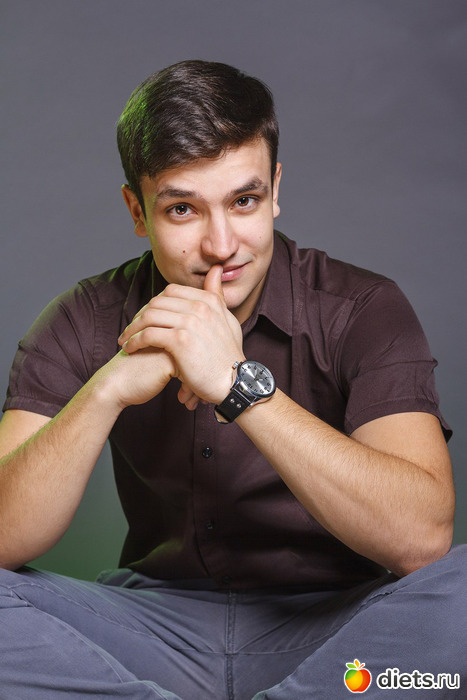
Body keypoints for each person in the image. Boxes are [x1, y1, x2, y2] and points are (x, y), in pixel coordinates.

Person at [0, 60, 464, 699]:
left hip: (335, 632)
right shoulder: (85, 317)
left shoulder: (362, 307)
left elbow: (422, 539)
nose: (222, 245)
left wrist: (237, 384)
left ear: (275, 190)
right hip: (148, 630)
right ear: (137, 211)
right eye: (183, 209)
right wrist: (105, 388)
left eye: (244, 201)